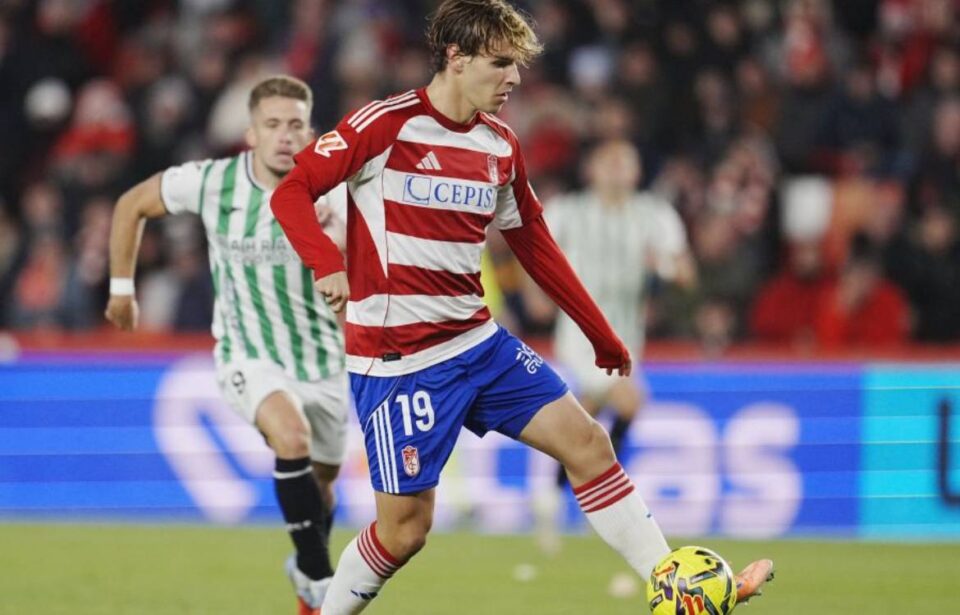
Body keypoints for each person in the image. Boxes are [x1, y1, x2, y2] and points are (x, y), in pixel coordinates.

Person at [270, 2, 774, 613]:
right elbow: (292, 191)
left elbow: (535, 244)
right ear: (456, 58)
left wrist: (598, 331)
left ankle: (674, 585)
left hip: (477, 343)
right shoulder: (385, 125)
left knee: (588, 443)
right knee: (405, 531)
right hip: (399, 360)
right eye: (500, 63)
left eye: (517, 66)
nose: (513, 78)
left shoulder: (500, 144)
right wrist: (326, 262)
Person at [105, 75, 348, 615]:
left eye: (295, 125)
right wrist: (122, 289)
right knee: (290, 436)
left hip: (325, 361)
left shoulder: (337, 193)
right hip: (248, 353)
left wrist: (344, 244)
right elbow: (130, 204)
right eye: (272, 125)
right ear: (251, 134)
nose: (285, 136)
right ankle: (318, 577)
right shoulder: (214, 182)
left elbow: (375, 272)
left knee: (323, 487)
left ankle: (306, 573)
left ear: (311, 134)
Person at [533, 138, 696, 555]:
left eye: (626, 161)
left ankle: (553, 493)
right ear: (591, 169)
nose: (617, 168)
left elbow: (685, 271)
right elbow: (532, 251)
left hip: (626, 336)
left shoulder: (654, 215)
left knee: (584, 421)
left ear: (637, 171)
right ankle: (604, 502)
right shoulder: (568, 211)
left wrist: (663, 266)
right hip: (580, 332)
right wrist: (536, 296)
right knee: (629, 400)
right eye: (609, 161)